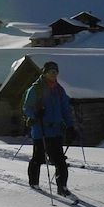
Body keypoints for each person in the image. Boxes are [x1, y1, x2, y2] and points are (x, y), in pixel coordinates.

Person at [22, 61, 78, 197]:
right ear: (45, 73)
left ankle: (62, 187)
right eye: (51, 71)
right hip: (40, 130)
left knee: (60, 161)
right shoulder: (36, 89)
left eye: (56, 72)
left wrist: (70, 126)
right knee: (38, 158)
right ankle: (34, 182)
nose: (54, 74)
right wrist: (35, 114)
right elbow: (27, 107)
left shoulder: (59, 90)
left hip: (56, 131)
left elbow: (65, 110)